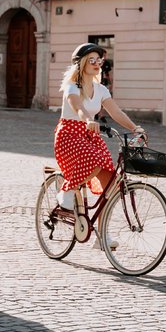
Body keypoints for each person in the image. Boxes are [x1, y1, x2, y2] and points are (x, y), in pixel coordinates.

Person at [54, 42, 143, 247]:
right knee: (94, 160)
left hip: (89, 136)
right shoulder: (72, 86)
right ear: (82, 63)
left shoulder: (101, 89)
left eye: (99, 60)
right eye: (92, 60)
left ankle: (102, 236)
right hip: (69, 135)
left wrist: (134, 127)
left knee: (110, 184)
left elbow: (116, 112)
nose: (96, 63)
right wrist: (87, 119)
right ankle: (67, 190)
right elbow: (76, 106)